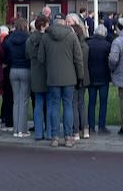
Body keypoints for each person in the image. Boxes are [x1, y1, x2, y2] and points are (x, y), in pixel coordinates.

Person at [40, 16, 85, 147]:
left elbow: (41, 58)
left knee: (54, 105)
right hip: (69, 77)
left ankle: (54, 136)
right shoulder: (71, 36)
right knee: (68, 106)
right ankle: (68, 136)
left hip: (53, 77)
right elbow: (78, 58)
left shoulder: (46, 37)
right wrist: (80, 76)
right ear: (64, 24)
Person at [4, 17, 31, 137]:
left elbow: (5, 52)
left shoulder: (10, 38)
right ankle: (22, 129)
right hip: (25, 69)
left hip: (13, 69)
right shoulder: (28, 38)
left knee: (16, 100)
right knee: (24, 100)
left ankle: (15, 129)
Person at [27, 15, 51, 141]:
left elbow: (28, 54)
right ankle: (49, 132)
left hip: (35, 73)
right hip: (47, 74)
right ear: (43, 25)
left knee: (38, 103)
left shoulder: (30, 39)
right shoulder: (47, 39)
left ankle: (38, 132)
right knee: (49, 104)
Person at [86, 23, 112, 136]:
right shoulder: (107, 45)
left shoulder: (88, 44)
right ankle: (101, 126)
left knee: (91, 103)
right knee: (103, 103)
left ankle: (91, 126)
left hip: (91, 77)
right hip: (104, 77)